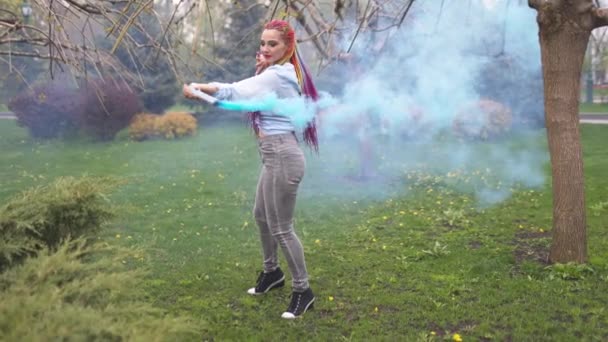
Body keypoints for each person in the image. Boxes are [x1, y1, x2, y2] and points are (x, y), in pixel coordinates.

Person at [183, 19, 317, 319]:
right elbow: (249, 91)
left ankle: (303, 291)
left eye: (273, 44)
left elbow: (236, 92)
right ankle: (272, 273)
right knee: (261, 216)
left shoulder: (278, 76)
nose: (266, 48)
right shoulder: (275, 73)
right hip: (273, 154)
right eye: (263, 43)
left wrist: (200, 89)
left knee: (282, 227)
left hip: (283, 154)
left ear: (287, 47)